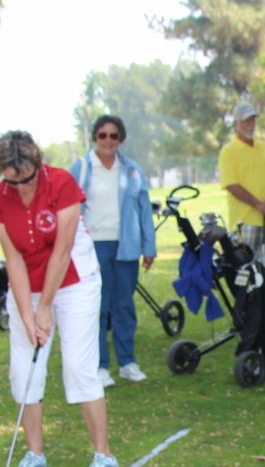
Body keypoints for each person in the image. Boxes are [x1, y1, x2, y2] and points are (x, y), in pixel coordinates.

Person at [0, 131, 118, 467]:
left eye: (27, 179)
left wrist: (45, 308)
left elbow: (61, 252)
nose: (22, 188)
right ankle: (35, 454)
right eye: (12, 182)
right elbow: (12, 258)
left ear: (37, 166)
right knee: (23, 369)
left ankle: (104, 457)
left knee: (78, 367)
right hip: (26, 286)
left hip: (75, 280)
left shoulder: (61, 183)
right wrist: (29, 316)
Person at [68, 115, 156, 387]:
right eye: (103, 135)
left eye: (114, 135)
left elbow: (144, 210)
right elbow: (67, 210)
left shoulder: (131, 170)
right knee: (98, 307)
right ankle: (100, 366)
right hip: (92, 246)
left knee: (124, 306)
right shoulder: (82, 168)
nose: (108, 140)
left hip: (126, 246)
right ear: (95, 137)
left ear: (121, 139)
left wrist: (148, 247)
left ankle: (127, 362)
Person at [218, 103, 265, 271]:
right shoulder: (229, 151)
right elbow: (232, 185)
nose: (250, 125)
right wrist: (258, 204)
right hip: (244, 221)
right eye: (246, 121)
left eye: (252, 120)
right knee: (245, 269)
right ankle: (248, 299)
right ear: (236, 124)